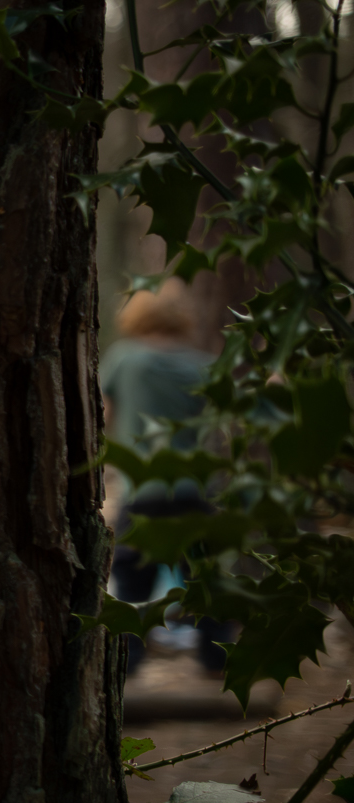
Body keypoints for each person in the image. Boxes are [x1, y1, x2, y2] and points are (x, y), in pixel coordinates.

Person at [99, 283, 229, 677]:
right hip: (195, 491)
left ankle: (128, 664)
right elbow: (223, 423)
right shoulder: (203, 365)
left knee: (132, 579)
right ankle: (217, 660)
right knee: (204, 579)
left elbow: (103, 418)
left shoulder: (124, 359)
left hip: (143, 489)